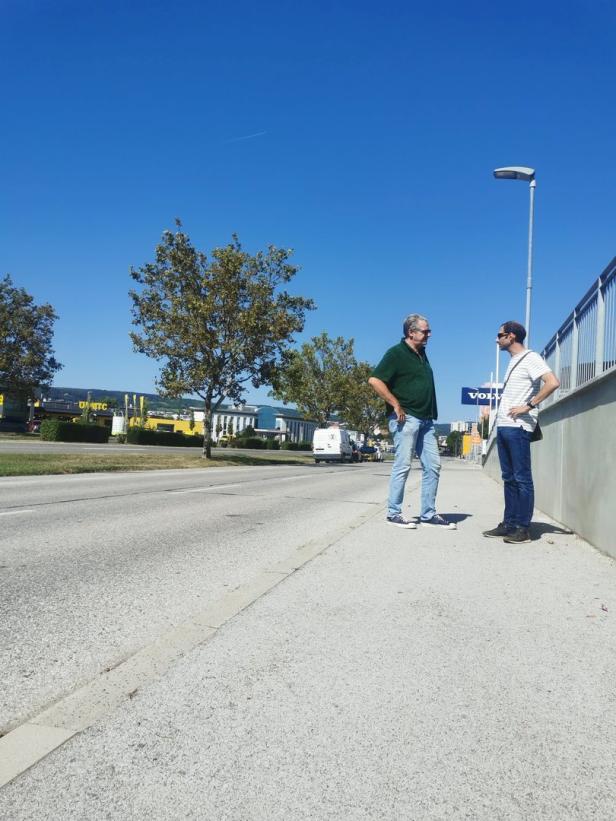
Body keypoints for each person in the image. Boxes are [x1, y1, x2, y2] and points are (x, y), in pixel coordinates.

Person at [368, 313, 455, 530]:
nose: (429, 334)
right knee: (403, 465)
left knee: (433, 466)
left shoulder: (422, 353)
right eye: (425, 331)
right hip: (406, 418)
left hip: (426, 420)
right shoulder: (397, 353)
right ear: (411, 332)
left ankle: (428, 515)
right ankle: (393, 513)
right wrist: (395, 404)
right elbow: (375, 380)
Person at [483, 321, 560, 544]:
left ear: (512, 336)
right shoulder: (514, 361)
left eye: (500, 335)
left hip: (519, 426)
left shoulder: (531, 358)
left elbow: (552, 382)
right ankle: (509, 524)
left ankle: (522, 528)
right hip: (506, 425)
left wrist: (529, 405)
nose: (497, 339)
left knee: (522, 478)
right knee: (509, 478)